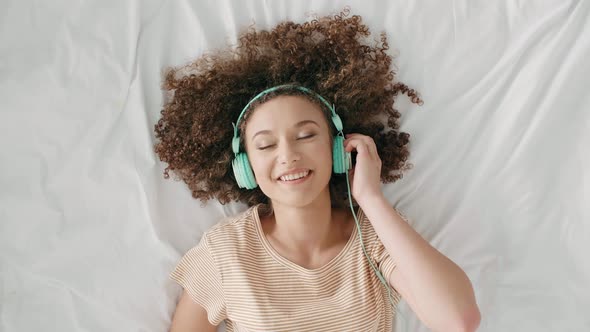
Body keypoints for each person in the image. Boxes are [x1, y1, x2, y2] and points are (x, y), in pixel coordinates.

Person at [154, 8, 480, 332]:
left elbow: (458, 321)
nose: (289, 155)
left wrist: (371, 198)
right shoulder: (225, 252)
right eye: (266, 145)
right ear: (245, 166)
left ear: (337, 147)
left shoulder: (376, 236)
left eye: (306, 135)